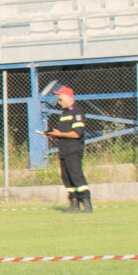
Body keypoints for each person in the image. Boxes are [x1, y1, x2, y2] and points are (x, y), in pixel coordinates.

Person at [46, 85, 92, 213]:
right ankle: (74, 205)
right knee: (66, 178)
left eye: (60, 98)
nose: (58, 101)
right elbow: (64, 133)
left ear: (68, 96)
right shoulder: (64, 113)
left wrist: (59, 134)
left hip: (73, 150)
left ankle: (87, 204)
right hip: (64, 150)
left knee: (76, 176)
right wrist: (53, 136)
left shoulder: (76, 112)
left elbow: (77, 134)